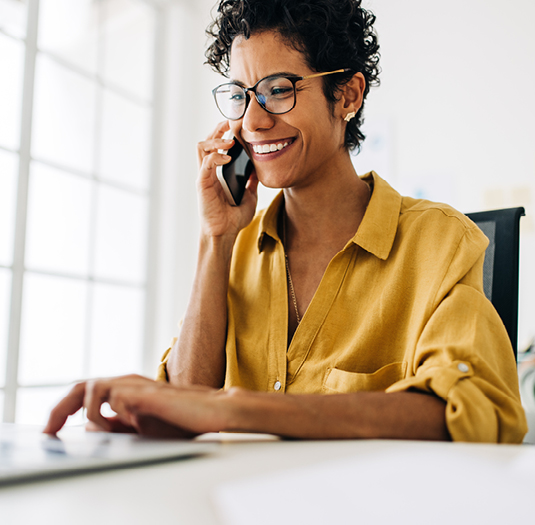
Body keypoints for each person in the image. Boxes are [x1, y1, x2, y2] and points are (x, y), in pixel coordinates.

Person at [45, 0, 527, 442]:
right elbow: (182, 406)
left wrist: (236, 409)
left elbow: (476, 414)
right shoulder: (235, 249)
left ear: (348, 95)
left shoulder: (439, 242)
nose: (252, 122)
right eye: (240, 95)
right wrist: (216, 239)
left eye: (278, 90)